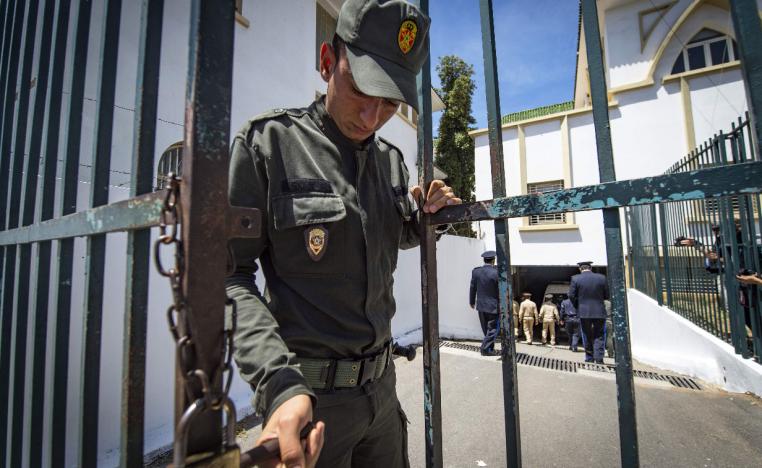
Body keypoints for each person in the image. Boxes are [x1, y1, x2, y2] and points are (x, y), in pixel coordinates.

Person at [226, 2, 462, 466]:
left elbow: (386, 239)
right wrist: (279, 385)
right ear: (327, 63)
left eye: (390, 103)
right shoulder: (269, 144)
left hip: (383, 395)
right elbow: (228, 274)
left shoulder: (390, 161)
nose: (373, 117)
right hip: (310, 405)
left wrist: (428, 218)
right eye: (361, 91)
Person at [569, 261, 609, 364]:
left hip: (583, 312)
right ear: (591, 268)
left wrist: (578, 305)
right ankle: (599, 358)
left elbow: (571, 296)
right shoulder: (602, 278)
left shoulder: (575, 278)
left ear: (580, 269)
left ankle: (589, 357)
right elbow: (607, 294)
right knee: (599, 335)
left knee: (586, 334)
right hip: (599, 311)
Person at [470, 251, 500, 356]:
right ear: (493, 260)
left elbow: (473, 287)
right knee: (493, 330)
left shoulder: (476, 272)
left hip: (481, 306)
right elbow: (499, 290)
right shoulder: (496, 272)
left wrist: (472, 301)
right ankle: (485, 348)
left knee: (486, 329)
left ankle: (489, 350)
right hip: (493, 306)